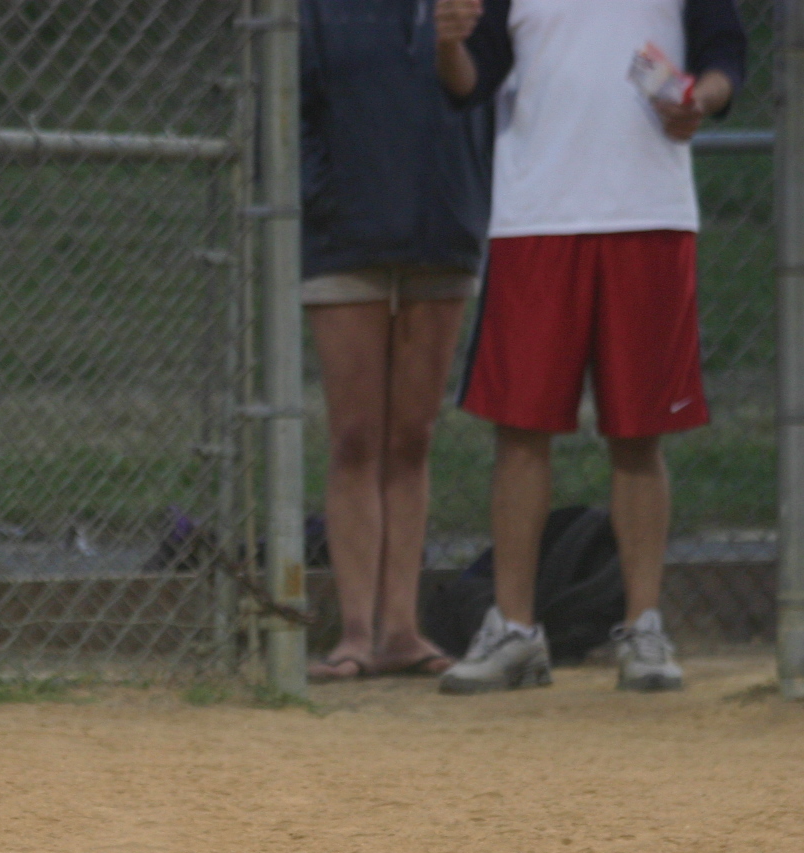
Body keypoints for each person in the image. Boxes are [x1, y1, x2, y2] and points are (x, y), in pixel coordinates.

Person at [435, 0, 746, 695]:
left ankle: (643, 628)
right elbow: (470, 80)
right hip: (536, 216)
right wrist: (448, 44)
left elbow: (727, 53)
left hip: (650, 213)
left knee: (640, 432)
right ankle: (514, 630)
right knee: (520, 430)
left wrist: (702, 97)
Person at [300, 0, 493, 681]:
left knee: (412, 436)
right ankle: (355, 632)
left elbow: (488, 89)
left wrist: (452, 44)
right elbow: (292, 105)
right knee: (355, 435)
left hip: (443, 228)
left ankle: (401, 629)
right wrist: (315, 199)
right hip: (343, 229)